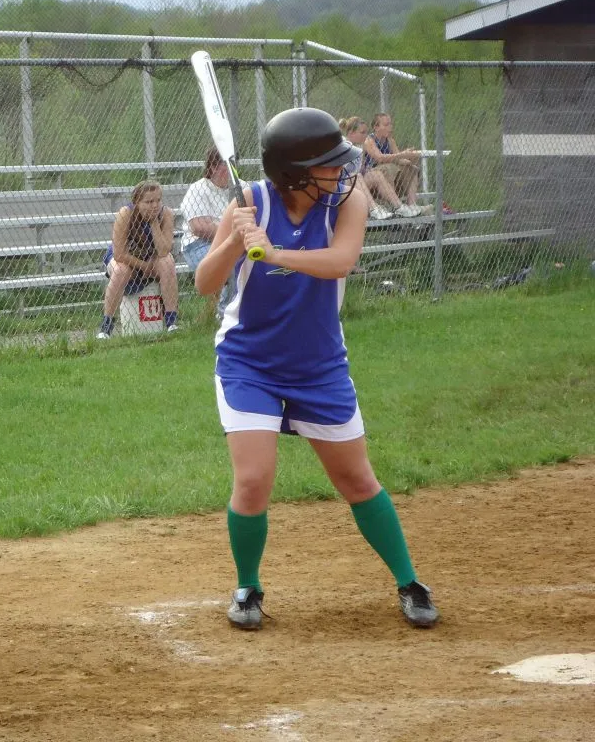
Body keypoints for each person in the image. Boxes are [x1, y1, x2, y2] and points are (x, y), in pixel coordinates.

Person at [194, 107, 439, 632]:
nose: (343, 172)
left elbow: (341, 260)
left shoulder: (349, 199)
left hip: (318, 365)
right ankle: (248, 587)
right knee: (254, 479)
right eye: (330, 165)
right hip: (249, 361)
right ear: (296, 172)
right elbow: (204, 283)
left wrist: (275, 253)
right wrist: (236, 241)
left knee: (356, 478)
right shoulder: (251, 203)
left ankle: (408, 579)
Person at [97, 179, 179, 338]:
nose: (155, 205)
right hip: (126, 259)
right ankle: (106, 328)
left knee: (168, 262)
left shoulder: (166, 214)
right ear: (137, 202)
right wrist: (142, 266)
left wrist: (154, 223)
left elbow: (163, 251)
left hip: (151, 258)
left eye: (158, 200)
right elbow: (119, 253)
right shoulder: (126, 213)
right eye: (149, 202)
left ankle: (171, 322)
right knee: (121, 270)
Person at [179, 146, 245, 319]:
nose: (229, 168)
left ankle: (246, 310)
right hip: (198, 245)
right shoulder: (199, 188)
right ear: (212, 167)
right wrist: (233, 233)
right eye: (223, 163)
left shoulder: (242, 187)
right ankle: (225, 314)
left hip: (237, 242)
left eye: (232, 163)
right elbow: (199, 227)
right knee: (230, 262)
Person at [338, 116, 418, 221]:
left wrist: (409, 157)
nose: (365, 135)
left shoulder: (360, 147)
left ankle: (399, 207)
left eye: (366, 132)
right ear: (351, 133)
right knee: (356, 176)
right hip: (341, 185)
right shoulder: (342, 144)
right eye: (362, 133)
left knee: (376, 174)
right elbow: (379, 158)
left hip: (356, 183)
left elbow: (362, 169)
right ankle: (374, 209)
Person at [361, 112, 422, 216]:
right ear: (376, 127)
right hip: (371, 175)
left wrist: (409, 158)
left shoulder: (390, 140)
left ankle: (412, 205)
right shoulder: (369, 140)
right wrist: (401, 155)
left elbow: (399, 159)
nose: (390, 127)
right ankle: (394, 205)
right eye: (386, 125)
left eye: (390, 124)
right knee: (389, 168)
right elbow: (379, 158)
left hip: (388, 173)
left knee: (412, 168)